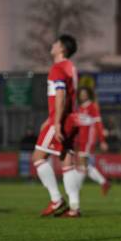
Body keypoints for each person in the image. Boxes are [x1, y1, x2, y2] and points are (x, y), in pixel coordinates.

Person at [32, 34, 82, 217]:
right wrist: (52, 117)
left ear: (61, 48)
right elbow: (66, 97)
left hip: (61, 120)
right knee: (66, 162)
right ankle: (74, 207)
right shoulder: (71, 67)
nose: (52, 45)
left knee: (38, 157)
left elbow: (60, 96)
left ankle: (56, 200)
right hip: (71, 118)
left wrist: (56, 122)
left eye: (55, 43)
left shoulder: (58, 68)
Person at [77, 86, 110, 196]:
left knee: (82, 162)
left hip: (88, 139)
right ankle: (104, 182)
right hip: (82, 139)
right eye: (81, 94)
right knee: (84, 165)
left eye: (85, 94)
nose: (83, 96)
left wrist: (102, 140)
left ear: (88, 95)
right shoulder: (80, 108)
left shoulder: (92, 107)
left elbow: (98, 124)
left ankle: (77, 188)